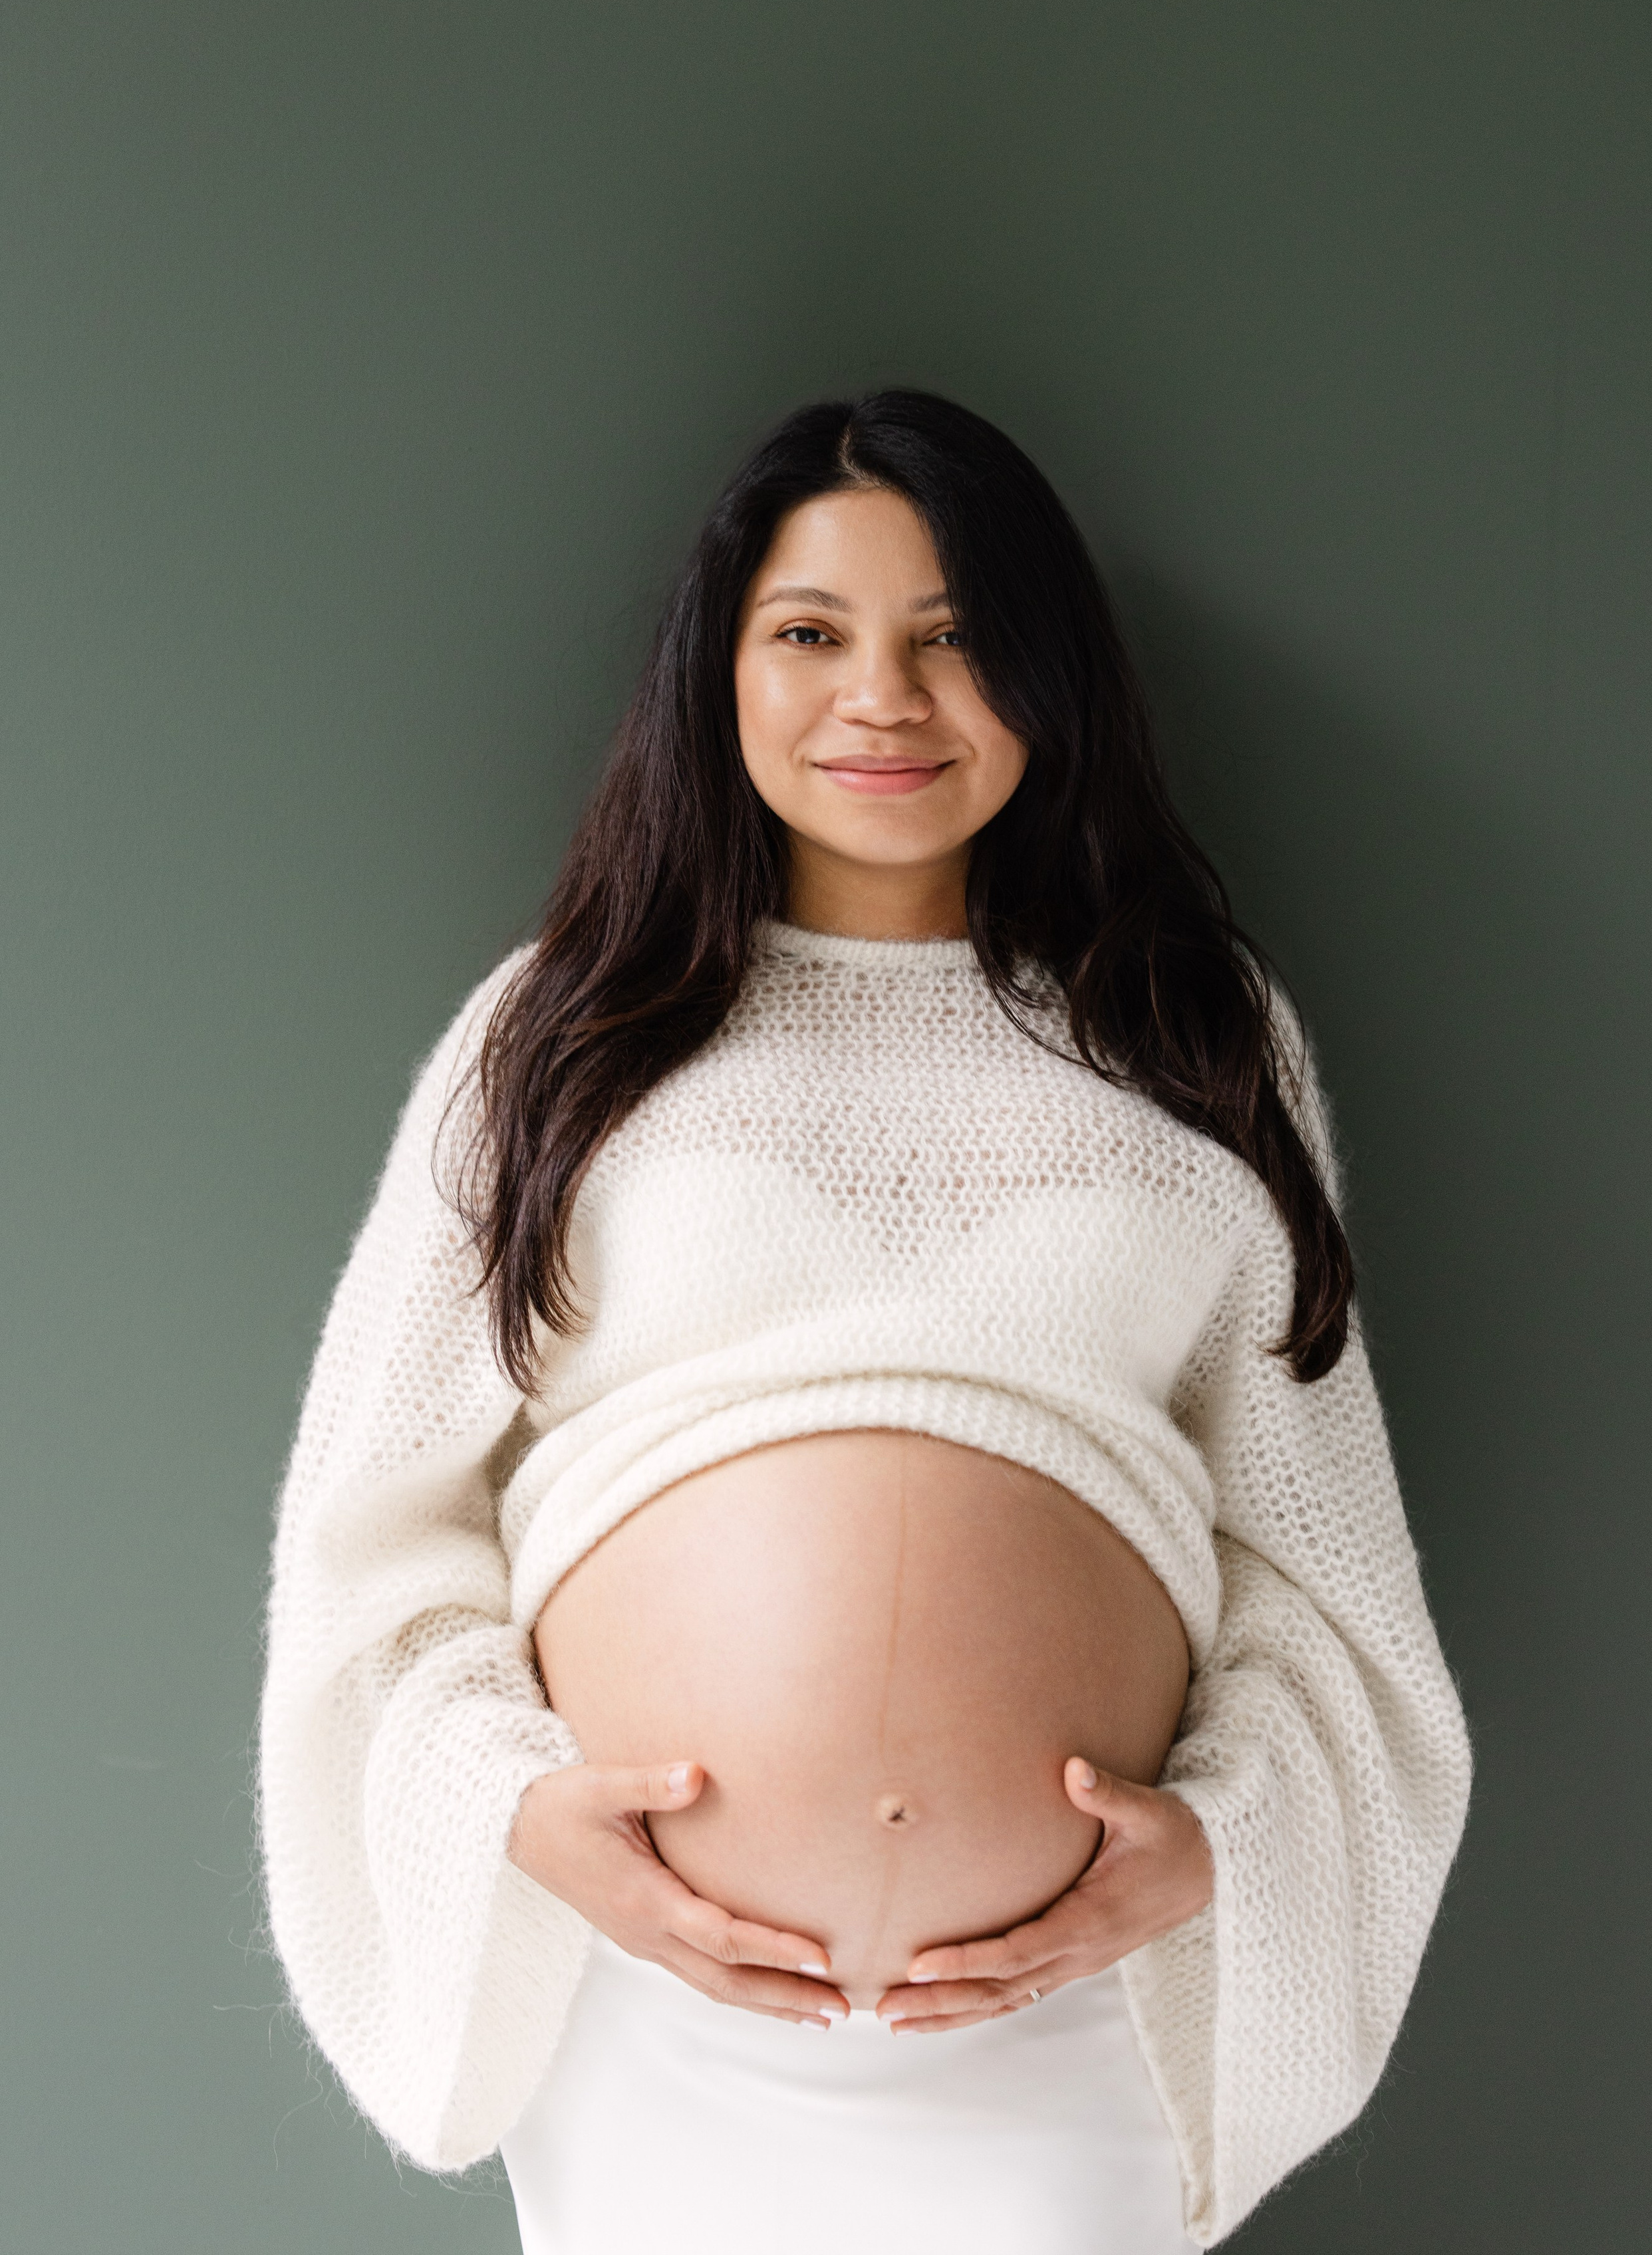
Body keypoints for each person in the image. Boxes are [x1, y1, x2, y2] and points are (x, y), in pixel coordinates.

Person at [258, 390, 1471, 2252]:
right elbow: (374, 1532)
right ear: (718, 674)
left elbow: (1324, 1571)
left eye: (955, 638)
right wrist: (515, 1809)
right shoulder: (563, 1038)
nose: (883, 699)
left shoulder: (1196, 1039)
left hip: (1051, 2040)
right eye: (811, 634)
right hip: (664, 2019)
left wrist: (1212, 1848)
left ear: (1049, 681)